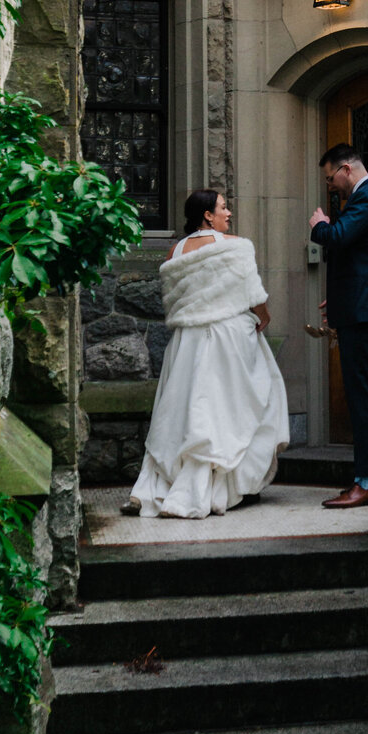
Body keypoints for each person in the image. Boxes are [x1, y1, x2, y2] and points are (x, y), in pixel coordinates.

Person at [123, 188, 288, 519]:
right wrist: (264, 315)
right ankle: (222, 487)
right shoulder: (233, 246)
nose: (229, 213)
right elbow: (251, 292)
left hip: (187, 341)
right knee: (232, 407)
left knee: (181, 412)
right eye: (223, 208)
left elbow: (173, 300)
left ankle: (154, 488)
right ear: (207, 216)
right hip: (226, 338)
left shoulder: (175, 251)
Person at [309, 145, 368, 509]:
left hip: (367, 317)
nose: (330, 186)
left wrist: (320, 226)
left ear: (347, 169)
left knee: (364, 400)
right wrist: (342, 298)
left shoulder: (367, 197)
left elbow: (338, 238)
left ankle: (364, 483)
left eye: (331, 178)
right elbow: (365, 259)